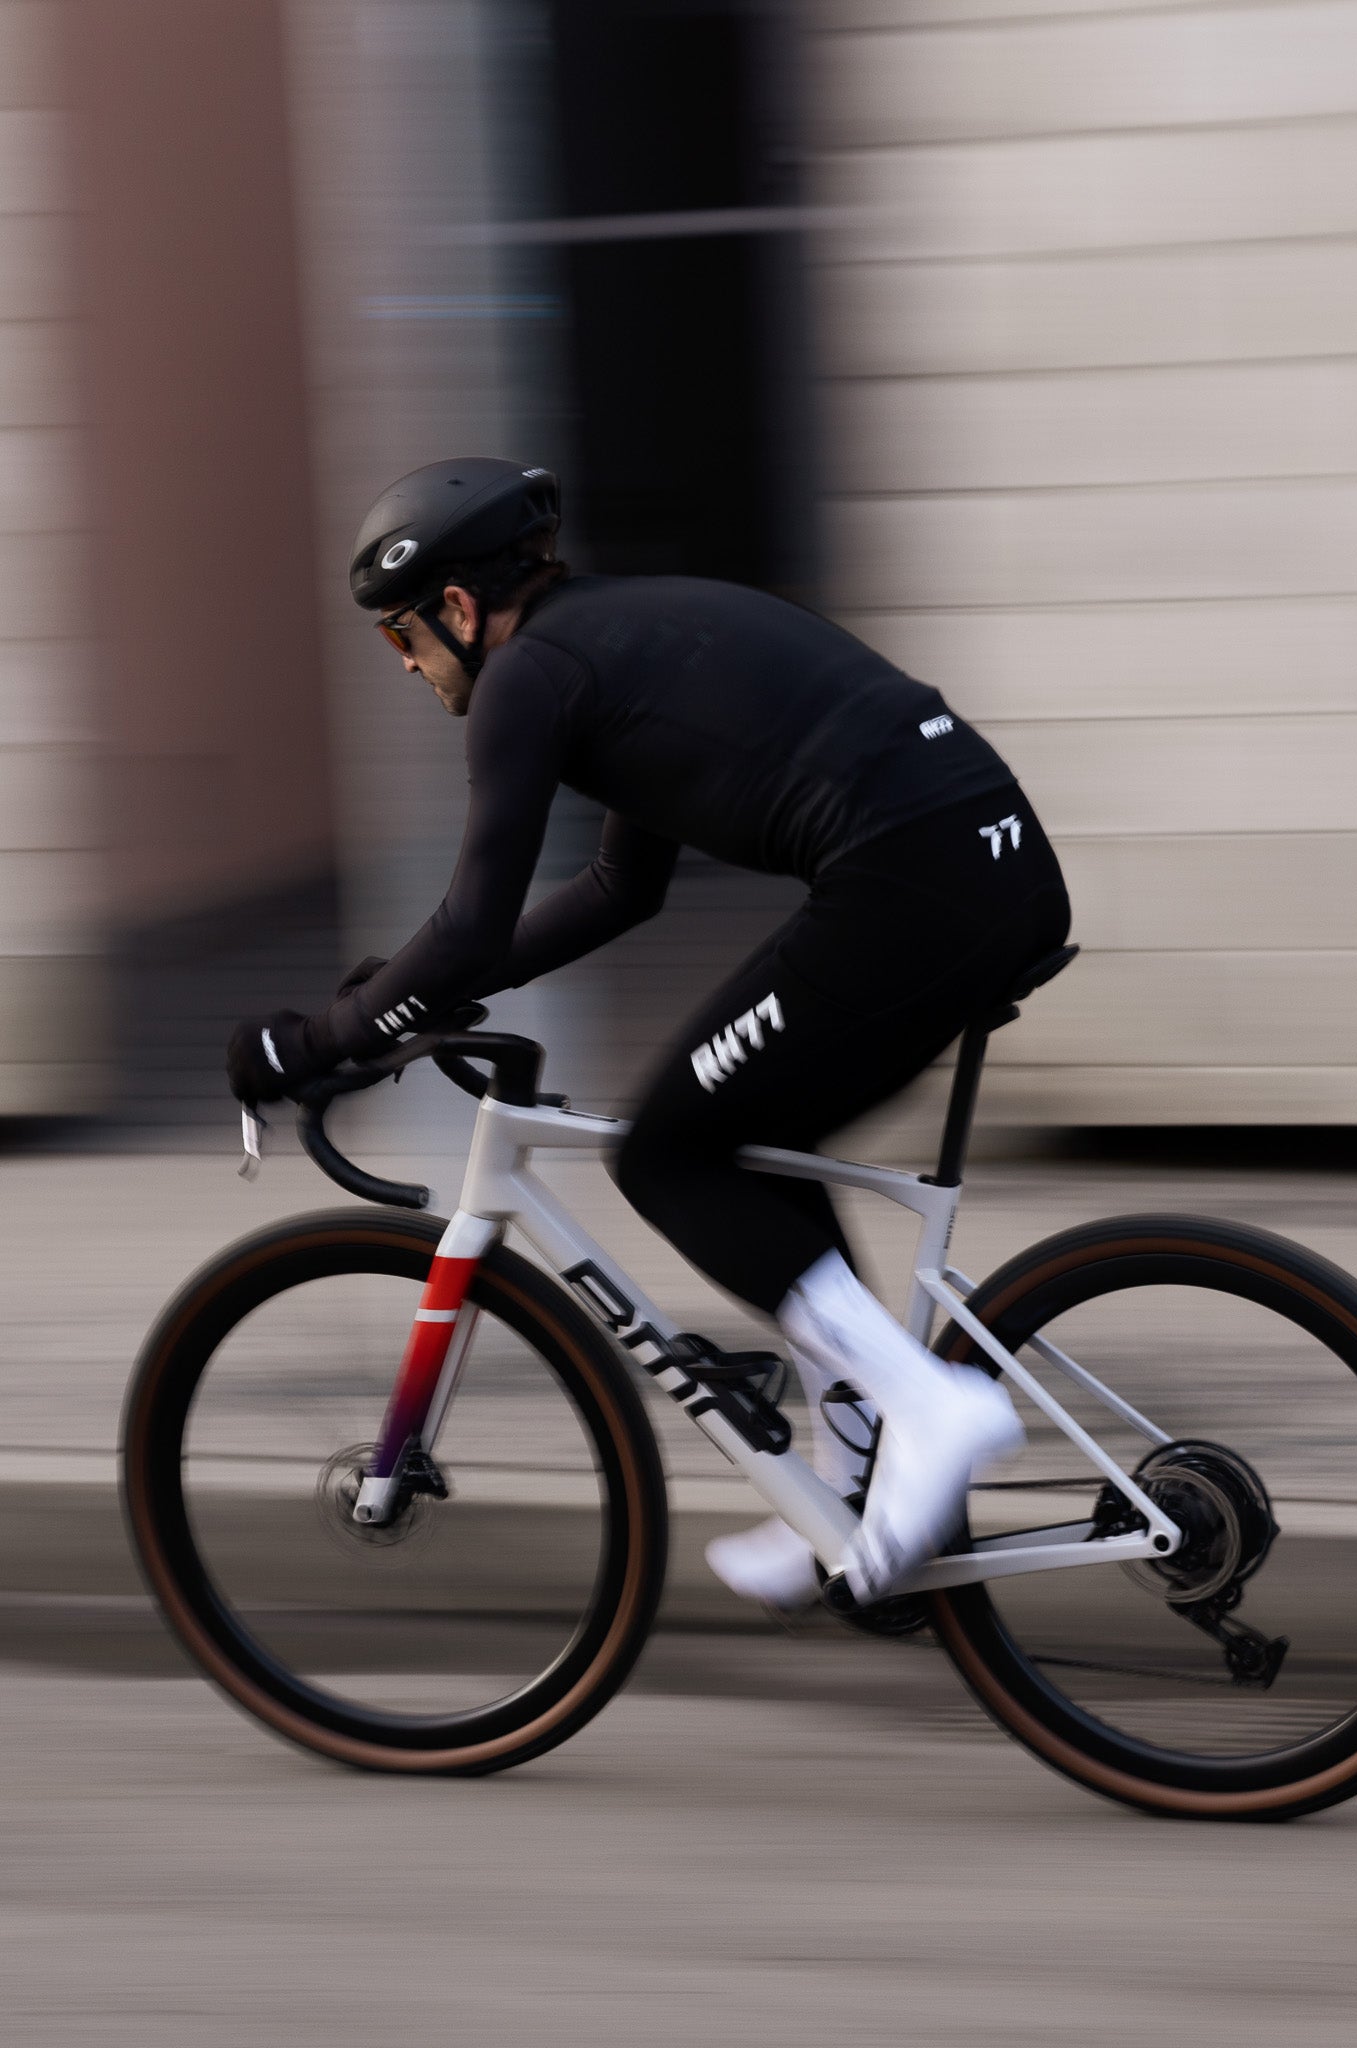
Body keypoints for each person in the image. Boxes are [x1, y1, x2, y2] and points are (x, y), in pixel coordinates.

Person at [227, 457, 1071, 1609]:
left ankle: (930, 1405)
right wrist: (410, 992)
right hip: (989, 866)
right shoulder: (617, 641)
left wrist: (318, 1040)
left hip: (909, 887)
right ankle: (860, 1473)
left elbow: (468, 928)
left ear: (459, 607)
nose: (407, 664)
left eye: (401, 634)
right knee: (750, 1136)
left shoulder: (529, 679)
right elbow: (620, 887)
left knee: (669, 1151)